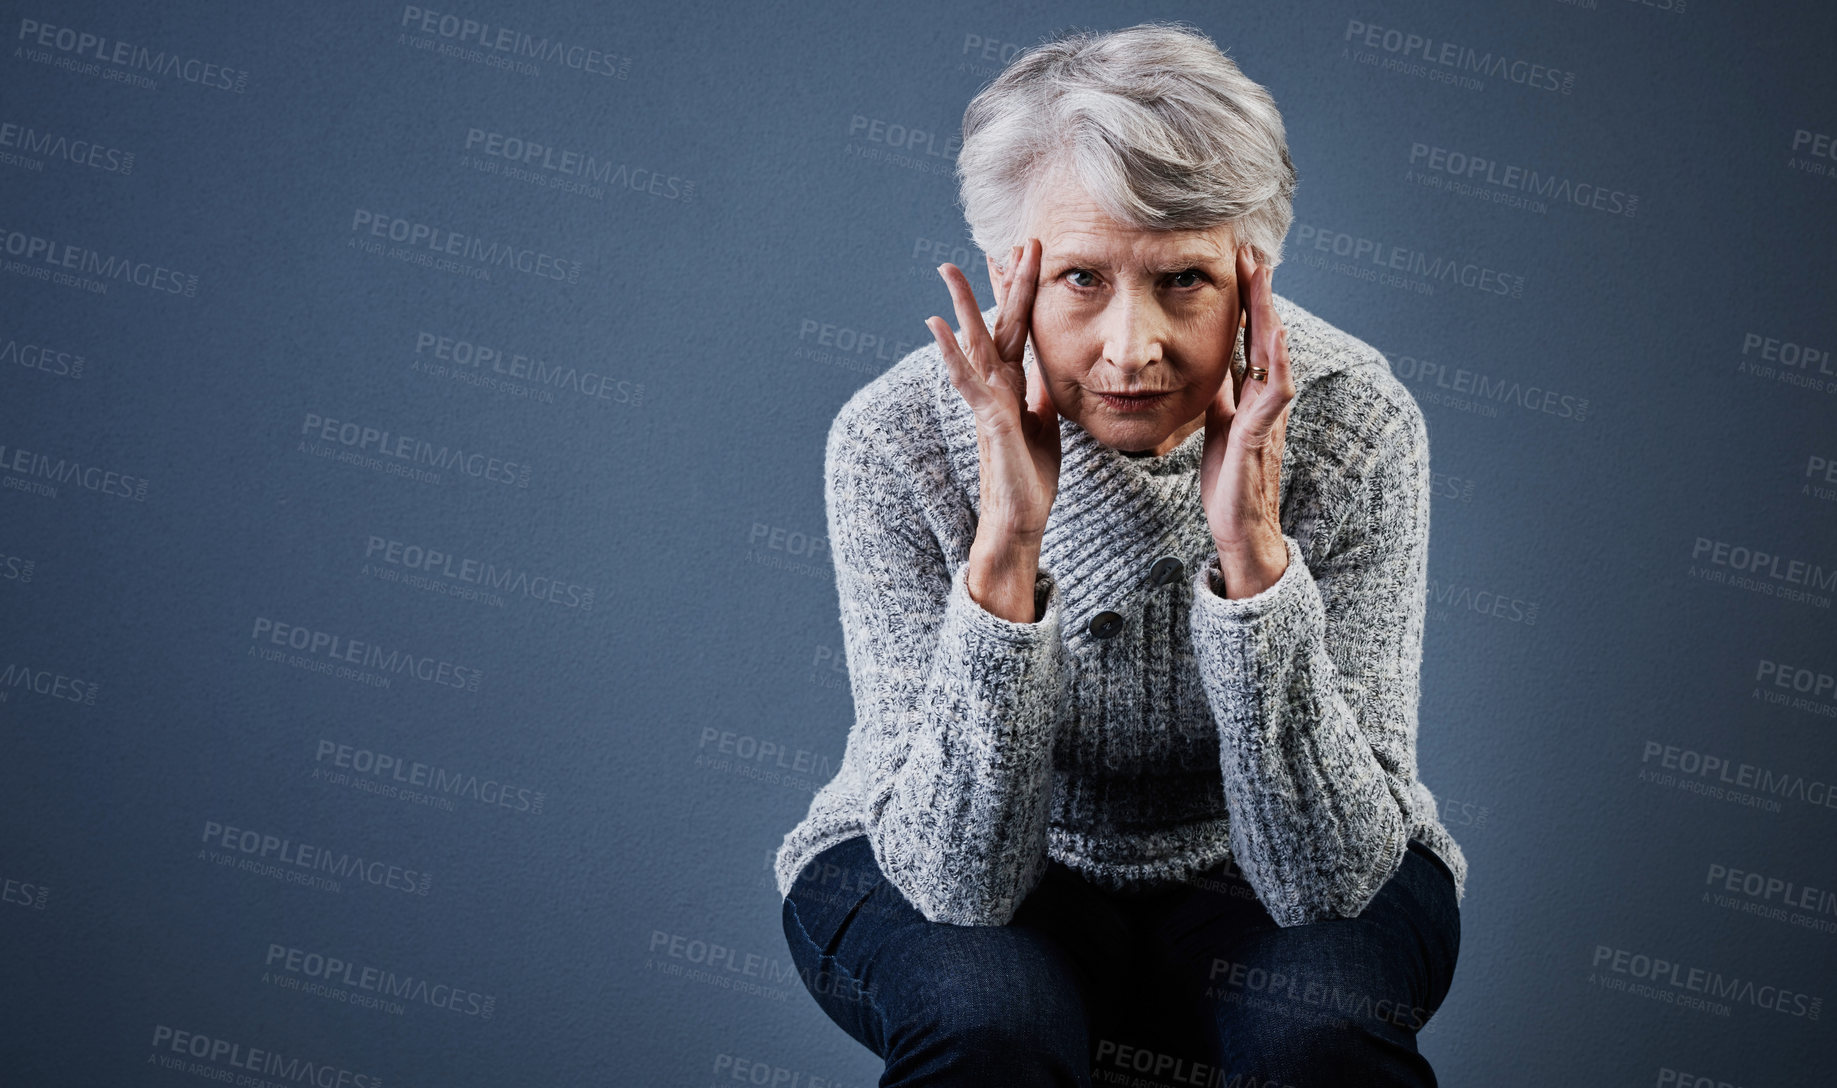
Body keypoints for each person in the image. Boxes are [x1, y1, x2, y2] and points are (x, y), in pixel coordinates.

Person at [775, 21, 1465, 1087]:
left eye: (1184, 278)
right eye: (1084, 277)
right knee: (989, 1028)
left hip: (1275, 856)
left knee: (1317, 1038)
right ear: (1013, 273)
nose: (1132, 347)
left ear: (1253, 276)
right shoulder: (897, 438)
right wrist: (1006, 540)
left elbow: (1328, 879)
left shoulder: (1353, 421)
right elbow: (958, 880)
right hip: (930, 839)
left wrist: (1251, 553)